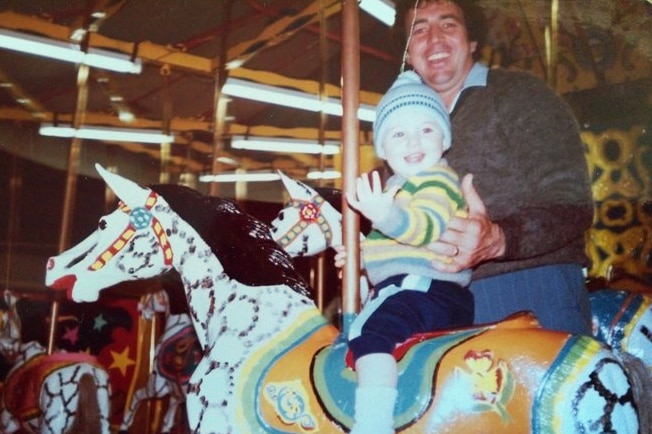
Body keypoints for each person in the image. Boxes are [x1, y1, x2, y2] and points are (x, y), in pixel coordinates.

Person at [393, 0, 594, 335]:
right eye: (419, 29)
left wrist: (499, 239)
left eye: (448, 24)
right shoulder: (399, 126)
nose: (434, 39)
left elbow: (573, 202)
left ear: (472, 40)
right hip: (437, 299)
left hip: (526, 286)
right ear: (407, 54)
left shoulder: (522, 95)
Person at [336, 70, 474, 434]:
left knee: (370, 333)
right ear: (383, 149)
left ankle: (373, 424)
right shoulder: (399, 187)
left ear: (444, 140)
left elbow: (423, 226)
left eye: (426, 130)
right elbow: (393, 246)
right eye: (398, 134)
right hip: (415, 286)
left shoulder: (437, 181)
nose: (414, 141)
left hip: (428, 288)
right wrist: (360, 259)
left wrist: (384, 215)